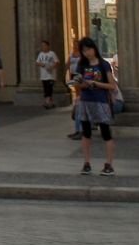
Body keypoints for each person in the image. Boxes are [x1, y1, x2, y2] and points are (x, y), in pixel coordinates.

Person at [69, 37, 116, 175]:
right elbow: (75, 83)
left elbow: (112, 85)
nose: (87, 53)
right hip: (86, 100)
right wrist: (81, 84)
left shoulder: (103, 65)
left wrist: (95, 83)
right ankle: (86, 162)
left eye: (89, 49)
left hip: (101, 101)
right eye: (84, 51)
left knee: (106, 132)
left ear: (94, 48)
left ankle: (109, 164)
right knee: (86, 132)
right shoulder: (81, 65)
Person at [35, 37, 60, 110]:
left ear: (48, 46)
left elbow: (57, 62)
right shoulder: (41, 54)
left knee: (49, 88)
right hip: (43, 75)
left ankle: (47, 101)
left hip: (50, 74)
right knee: (45, 88)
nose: (43, 47)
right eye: (42, 46)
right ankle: (51, 102)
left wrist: (52, 67)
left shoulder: (52, 53)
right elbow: (37, 62)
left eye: (44, 45)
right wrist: (41, 64)